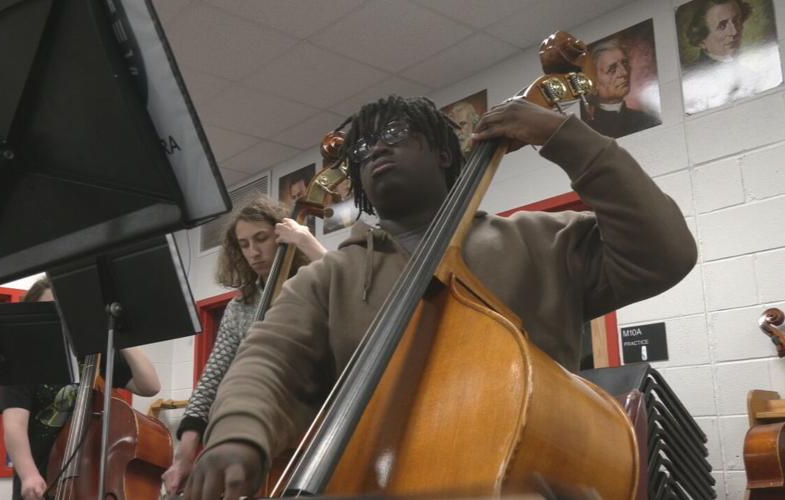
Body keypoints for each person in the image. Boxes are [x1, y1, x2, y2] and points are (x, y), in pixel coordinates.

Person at [185, 95, 697, 500]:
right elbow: (270, 357)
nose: (375, 150)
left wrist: (564, 137)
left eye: (393, 136)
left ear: (444, 152)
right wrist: (237, 433)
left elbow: (665, 252)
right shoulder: (329, 277)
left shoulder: (542, 240)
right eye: (362, 151)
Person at [161, 195, 327, 495]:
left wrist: (305, 241)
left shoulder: (315, 285)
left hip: (311, 430)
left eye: (261, 239)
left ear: (281, 236)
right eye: (244, 244)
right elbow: (211, 381)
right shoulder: (240, 308)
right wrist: (183, 458)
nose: (254, 252)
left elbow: (351, 287)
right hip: (255, 430)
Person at [0, 277, 161, 500]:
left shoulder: (94, 356)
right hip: (41, 483)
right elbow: (14, 426)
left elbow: (150, 385)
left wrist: (118, 333)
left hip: (89, 482)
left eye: (66, 312)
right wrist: (29, 475)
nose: (60, 320)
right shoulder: (24, 360)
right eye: (50, 312)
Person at [679, 0, 781, 113]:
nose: (734, 31)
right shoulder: (693, 87)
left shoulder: (752, 73)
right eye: (722, 26)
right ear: (702, 40)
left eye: (736, 20)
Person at [580, 38, 660, 138]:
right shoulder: (586, 133)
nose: (624, 73)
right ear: (593, 81)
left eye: (625, 64)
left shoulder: (646, 120)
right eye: (612, 69)